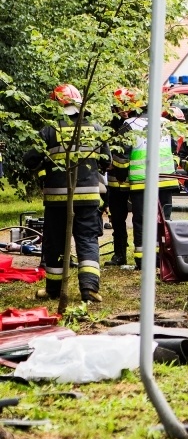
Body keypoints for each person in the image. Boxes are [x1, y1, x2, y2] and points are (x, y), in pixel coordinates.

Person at [23, 84, 109, 302]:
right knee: (88, 240)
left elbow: (30, 160)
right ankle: (89, 289)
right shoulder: (95, 128)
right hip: (89, 197)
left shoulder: (49, 129)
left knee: (56, 244)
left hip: (57, 200)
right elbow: (107, 161)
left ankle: (53, 290)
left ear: (57, 104)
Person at [114, 91, 180, 269]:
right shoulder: (166, 123)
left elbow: (121, 157)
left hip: (142, 182)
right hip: (166, 181)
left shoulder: (129, 125)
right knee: (163, 221)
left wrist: (121, 178)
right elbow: (174, 148)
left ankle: (143, 261)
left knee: (142, 221)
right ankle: (163, 259)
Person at [105, 88, 135, 268]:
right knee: (117, 218)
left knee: (140, 219)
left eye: (127, 106)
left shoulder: (134, 124)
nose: (124, 110)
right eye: (120, 106)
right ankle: (120, 254)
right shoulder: (112, 126)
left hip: (134, 179)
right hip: (116, 181)